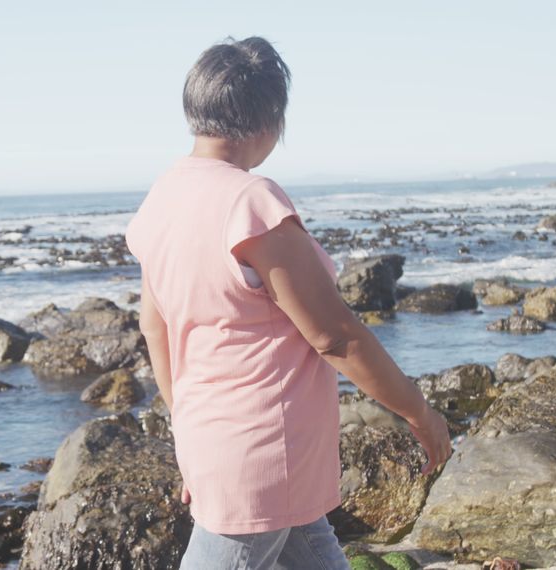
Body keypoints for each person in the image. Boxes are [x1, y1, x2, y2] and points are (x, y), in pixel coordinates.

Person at [124, 36, 452, 570]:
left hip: (217, 442)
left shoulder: (161, 197)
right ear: (270, 121)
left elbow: (154, 328)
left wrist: (189, 436)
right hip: (261, 452)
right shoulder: (250, 201)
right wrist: (418, 412)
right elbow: (335, 336)